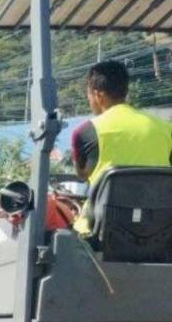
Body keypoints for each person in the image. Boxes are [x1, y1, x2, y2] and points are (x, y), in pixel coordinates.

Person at [71, 60, 172, 234]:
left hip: (98, 230)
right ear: (125, 90)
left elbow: (83, 174)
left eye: (88, 94)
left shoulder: (85, 131)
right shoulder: (165, 129)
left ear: (97, 94)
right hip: (158, 230)